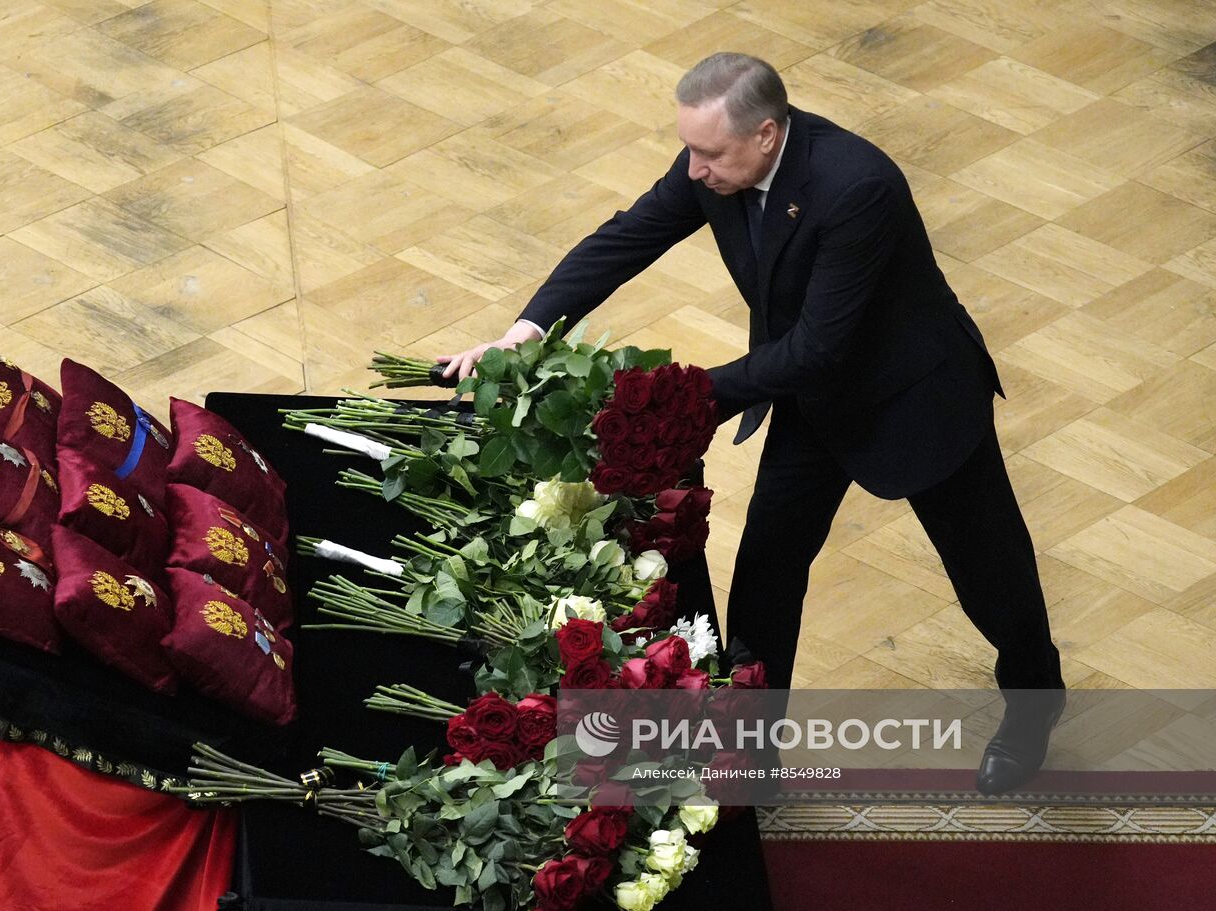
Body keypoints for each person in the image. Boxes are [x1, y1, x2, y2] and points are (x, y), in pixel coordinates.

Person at [438, 52, 1065, 795]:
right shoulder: (717, 165)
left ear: (767, 135)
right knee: (767, 571)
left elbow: (820, 345)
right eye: (691, 149)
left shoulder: (857, 186)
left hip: (913, 398)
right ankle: (750, 759)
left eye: (710, 153)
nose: (695, 169)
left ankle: (1034, 698)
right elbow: (628, 236)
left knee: (989, 575)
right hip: (811, 396)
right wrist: (526, 332)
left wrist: (679, 394)